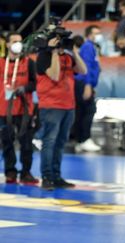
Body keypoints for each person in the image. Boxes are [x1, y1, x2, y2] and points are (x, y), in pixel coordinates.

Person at [36, 35, 87, 190]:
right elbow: (55, 74)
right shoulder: (43, 56)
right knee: (49, 142)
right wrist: (53, 52)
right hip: (51, 105)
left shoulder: (67, 56)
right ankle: (47, 177)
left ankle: (56, 176)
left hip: (68, 106)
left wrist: (74, 52)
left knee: (60, 144)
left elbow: (83, 70)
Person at [0, 32, 38, 185]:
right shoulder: (1, 62)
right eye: (14, 41)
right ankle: (10, 171)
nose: (18, 44)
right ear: (8, 44)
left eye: (20, 41)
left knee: (26, 142)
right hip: (4, 108)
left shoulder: (29, 63)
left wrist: (25, 88)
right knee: (7, 141)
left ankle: (26, 172)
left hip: (24, 109)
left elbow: (35, 83)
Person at [73, 25, 102, 153]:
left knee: (82, 112)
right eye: (96, 33)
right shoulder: (88, 47)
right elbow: (87, 67)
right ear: (89, 34)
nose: (98, 36)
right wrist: (88, 85)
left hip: (85, 83)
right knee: (89, 110)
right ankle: (84, 139)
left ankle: (80, 140)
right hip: (83, 83)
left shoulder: (92, 47)